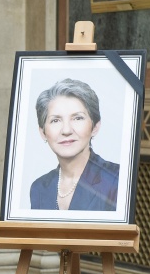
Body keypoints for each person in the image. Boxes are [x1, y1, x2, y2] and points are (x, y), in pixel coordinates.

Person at [30, 78, 119, 211]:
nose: (66, 130)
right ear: (43, 132)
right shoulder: (39, 188)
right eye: (55, 120)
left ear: (95, 126)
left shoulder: (117, 179)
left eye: (77, 118)